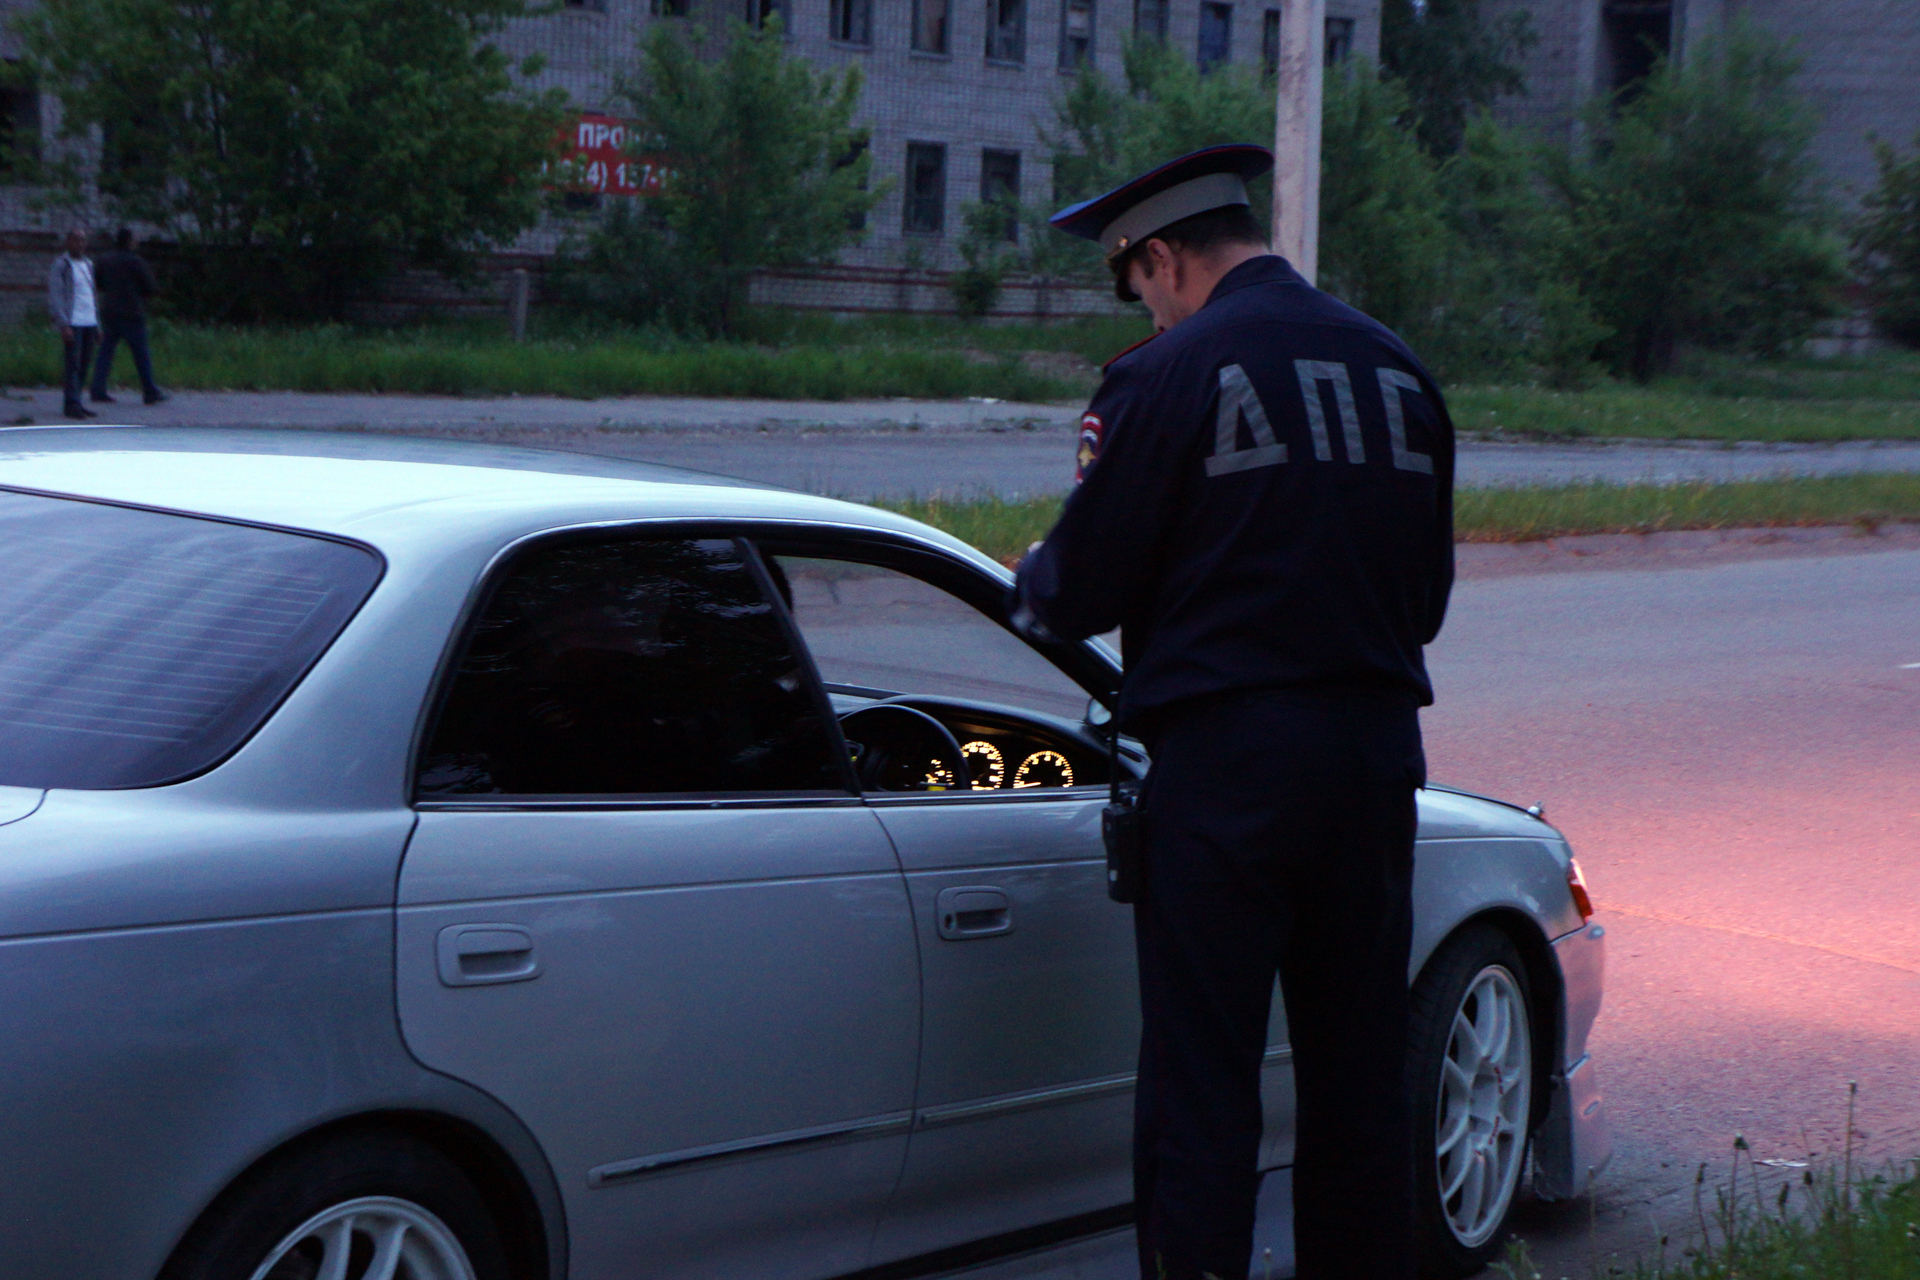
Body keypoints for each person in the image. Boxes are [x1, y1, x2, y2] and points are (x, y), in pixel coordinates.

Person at [1012, 145, 1456, 1280]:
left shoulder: (1168, 374)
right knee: (1358, 1084)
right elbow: (1429, 601)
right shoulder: (1399, 368)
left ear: (1160, 256)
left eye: (1137, 283)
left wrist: (1038, 571)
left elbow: (1076, 591)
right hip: (1371, 767)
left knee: (1201, 1092)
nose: (1146, 308)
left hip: (1229, 777)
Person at [90, 226, 167, 406]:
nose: (136, 243)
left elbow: (97, 283)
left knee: (105, 352)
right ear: (129, 241)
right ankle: (150, 391)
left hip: (109, 311)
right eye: (134, 240)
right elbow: (150, 287)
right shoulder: (136, 261)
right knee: (141, 354)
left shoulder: (105, 259)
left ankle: (98, 390)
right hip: (132, 312)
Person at [47, 226, 99, 420]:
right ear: (68, 242)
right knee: (72, 364)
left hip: (89, 321)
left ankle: (77, 400)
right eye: (76, 240)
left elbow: (92, 296)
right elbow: (56, 295)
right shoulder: (61, 265)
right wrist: (63, 324)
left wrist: (98, 325)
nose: (80, 244)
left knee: (85, 363)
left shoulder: (88, 265)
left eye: (82, 240)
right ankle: (71, 404)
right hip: (73, 322)